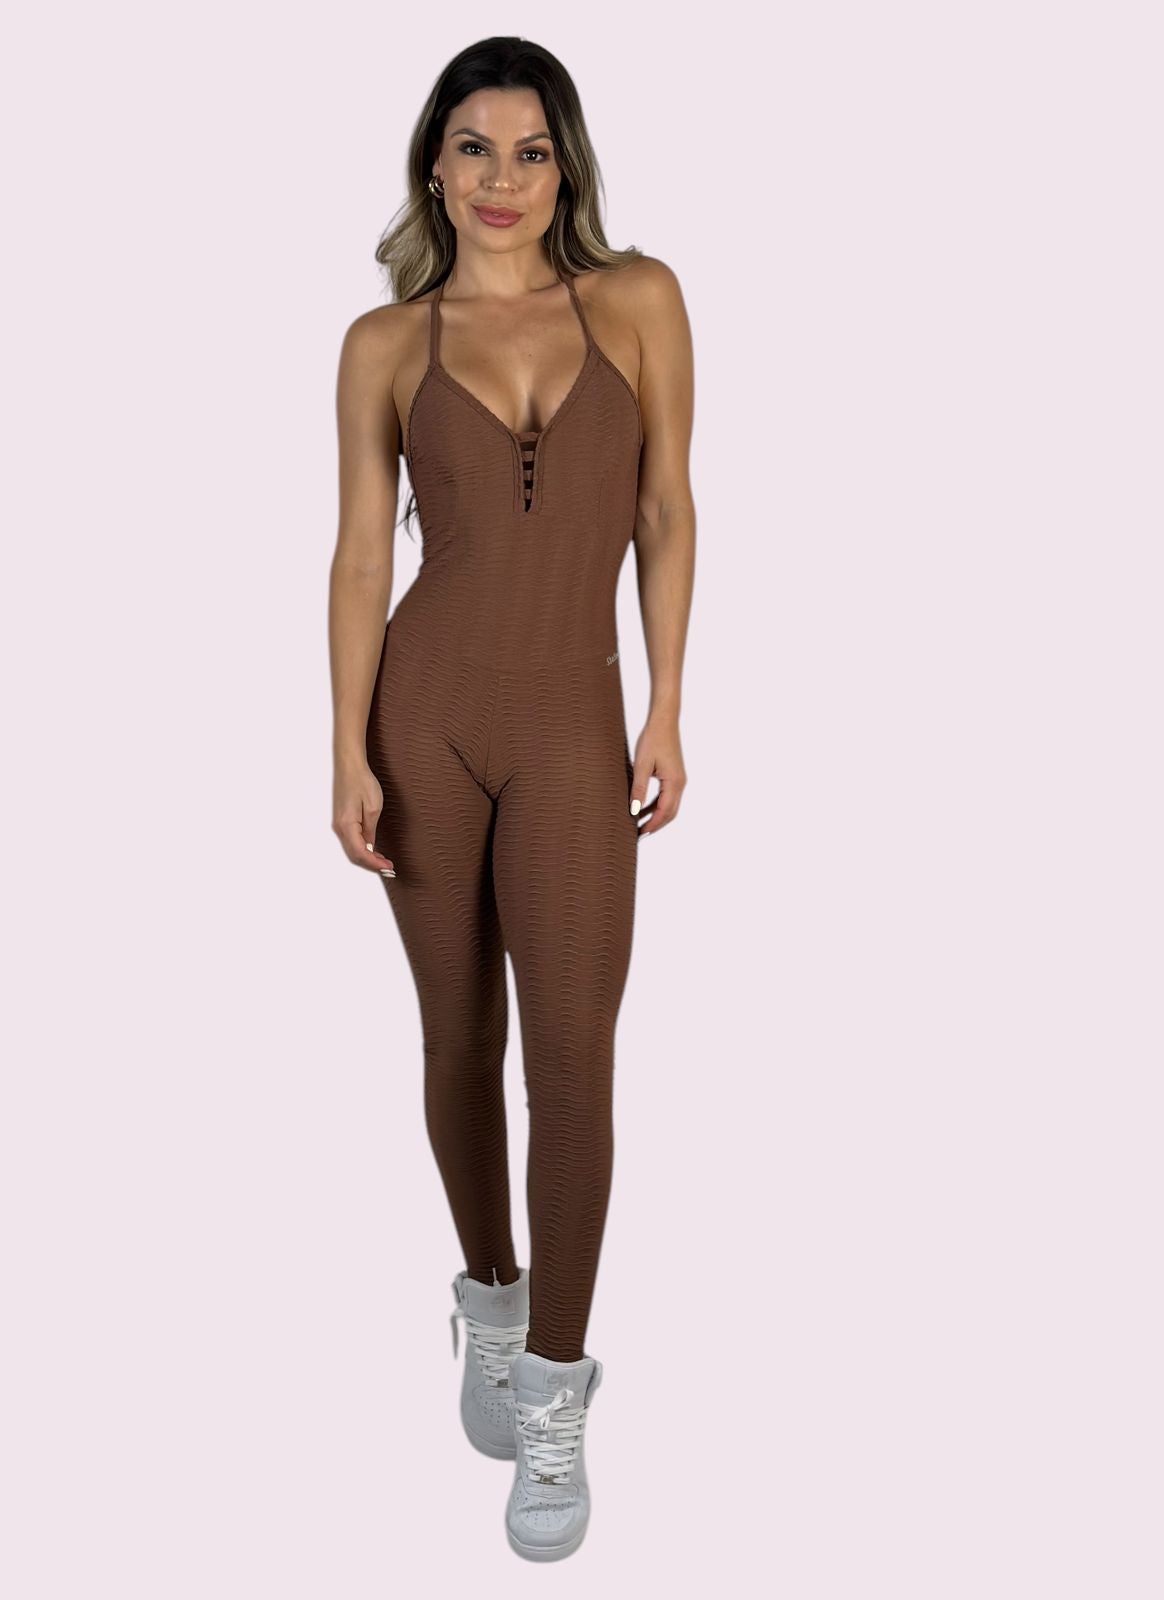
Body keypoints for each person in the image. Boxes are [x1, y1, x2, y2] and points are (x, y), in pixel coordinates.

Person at [327, 36, 694, 1562]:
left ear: (566, 167)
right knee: (458, 1041)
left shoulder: (639, 300)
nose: (501, 179)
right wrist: (344, 745)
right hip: (425, 719)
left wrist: (665, 702)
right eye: (473, 148)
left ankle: (554, 1389)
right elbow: (363, 552)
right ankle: (490, 1292)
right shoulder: (384, 342)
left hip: (571, 726)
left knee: (577, 1069)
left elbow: (667, 505)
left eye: (530, 151)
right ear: (434, 164)